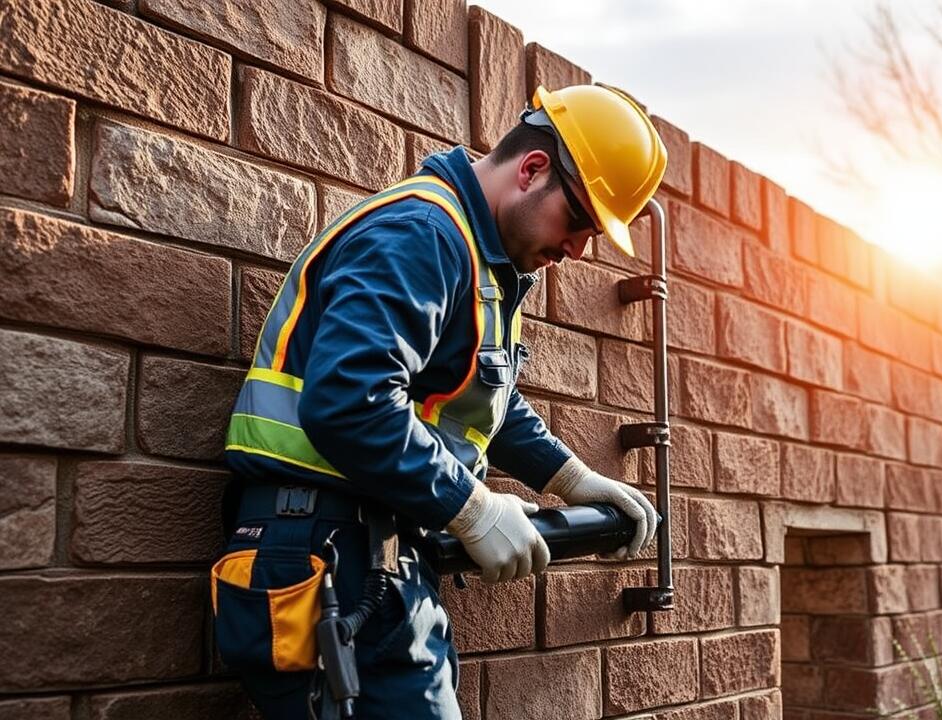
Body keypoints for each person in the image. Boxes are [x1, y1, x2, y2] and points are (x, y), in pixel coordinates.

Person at [211, 84, 668, 719]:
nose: (576, 250)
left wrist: (572, 477)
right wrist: (471, 507)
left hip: (356, 548)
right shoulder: (422, 232)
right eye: (579, 222)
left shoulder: (473, 255)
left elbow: (484, 398)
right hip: (330, 549)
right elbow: (350, 400)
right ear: (532, 170)